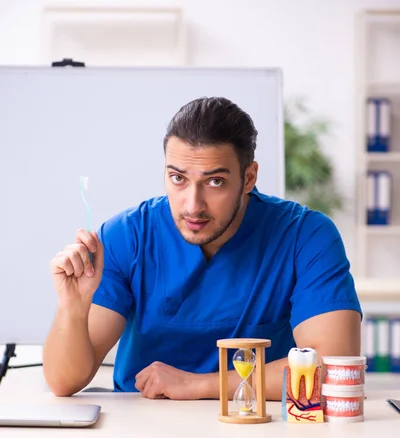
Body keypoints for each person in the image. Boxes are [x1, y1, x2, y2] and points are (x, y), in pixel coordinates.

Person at [43, 97, 361, 401]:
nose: (192, 205)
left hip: (260, 433)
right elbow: (63, 382)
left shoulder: (306, 236)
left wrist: (200, 385)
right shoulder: (128, 235)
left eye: (215, 182)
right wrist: (72, 304)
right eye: (178, 178)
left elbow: (334, 368)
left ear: (248, 177)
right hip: (142, 435)